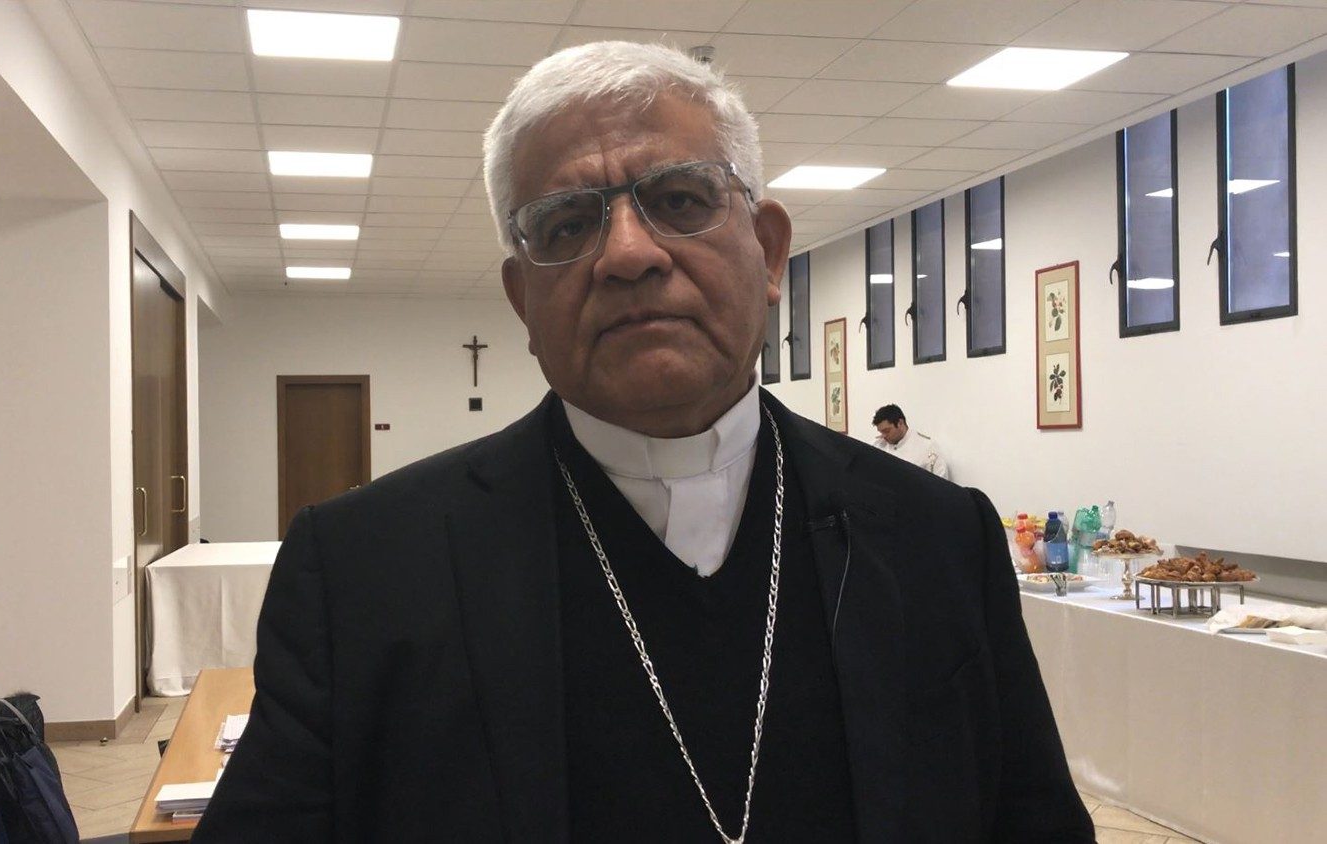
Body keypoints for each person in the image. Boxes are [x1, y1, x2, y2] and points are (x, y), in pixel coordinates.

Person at [194, 41, 1091, 843]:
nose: (628, 253)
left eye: (679, 199)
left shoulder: (938, 537)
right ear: (522, 299)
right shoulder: (363, 569)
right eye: (567, 224)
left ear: (769, 253)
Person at [872, 403, 950, 480]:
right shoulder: (877, 445)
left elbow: (940, 483)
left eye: (887, 431)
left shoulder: (927, 447)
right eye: (881, 432)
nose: (883, 436)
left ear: (900, 423)